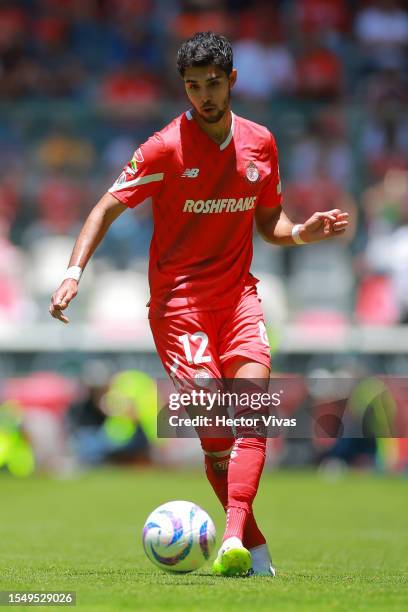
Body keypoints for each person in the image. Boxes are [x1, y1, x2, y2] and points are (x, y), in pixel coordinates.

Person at [49, 31, 349, 577]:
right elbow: (103, 209)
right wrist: (74, 273)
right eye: (193, 87)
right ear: (183, 88)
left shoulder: (261, 143)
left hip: (239, 299)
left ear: (232, 80)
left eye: (213, 84)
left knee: (253, 415)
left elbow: (271, 226)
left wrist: (304, 232)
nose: (204, 96)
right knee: (217, 434)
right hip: (179, 306)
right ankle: (254, 548)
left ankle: (235, 540)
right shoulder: (164, 147)